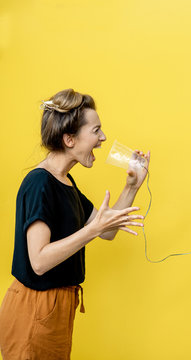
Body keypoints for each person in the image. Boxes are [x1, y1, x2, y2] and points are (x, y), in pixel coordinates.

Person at [0, 89, 150, 360]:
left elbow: (108, 231)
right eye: (96, 131)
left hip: (57, 307)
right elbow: (39, 261)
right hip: (35, 307)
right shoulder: (39, 183)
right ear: (69, 139)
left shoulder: (66, 182)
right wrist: (92, 229)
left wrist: (131, 187)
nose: (103, 138)